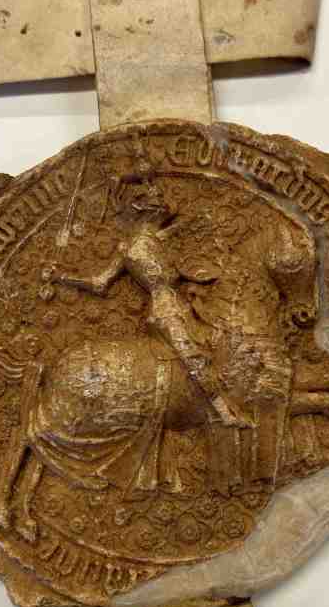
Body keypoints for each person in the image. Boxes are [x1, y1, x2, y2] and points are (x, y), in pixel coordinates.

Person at [48, 174, 250, 429]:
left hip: (184, 303)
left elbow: (176, 229)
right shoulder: (135, 247)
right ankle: (223, 410)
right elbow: (99, 283)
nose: (164, 203)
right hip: (166, 309)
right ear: (144, 210)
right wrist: (62, 276)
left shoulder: (156, 238)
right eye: (156, 200)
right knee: (192, 355)